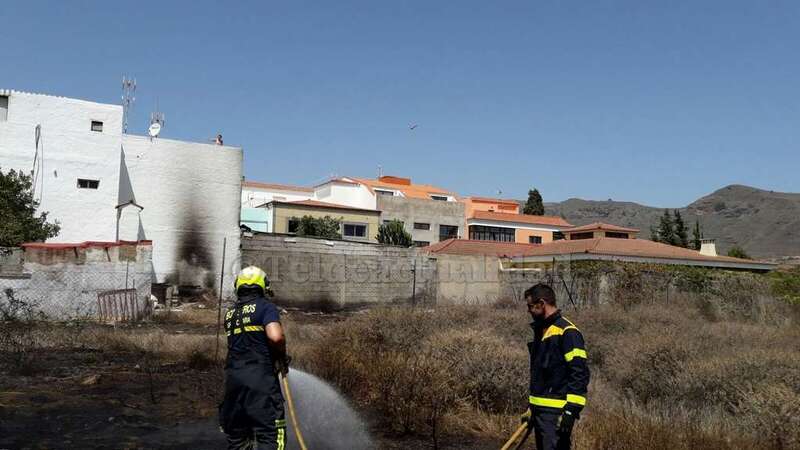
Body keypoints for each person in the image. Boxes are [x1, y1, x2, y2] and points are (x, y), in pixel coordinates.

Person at [219, 266, 290, 450]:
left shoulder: (230, 314)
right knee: (270, 436)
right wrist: (281, 356)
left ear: (238, 286)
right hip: (261, 384)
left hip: (233, 385)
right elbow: (276, 337)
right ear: (262, 286)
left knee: (238, 440)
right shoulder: (266, 307)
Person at [520, 283, 590, 450]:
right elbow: (541, 376)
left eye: (530, 306)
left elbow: (579, 373)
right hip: (540, 412)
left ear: (541, 304)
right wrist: (532, 407)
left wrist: (571, 411)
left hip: (556, 413)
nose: (528, 311)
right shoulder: (541, 331)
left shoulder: (568, 332)